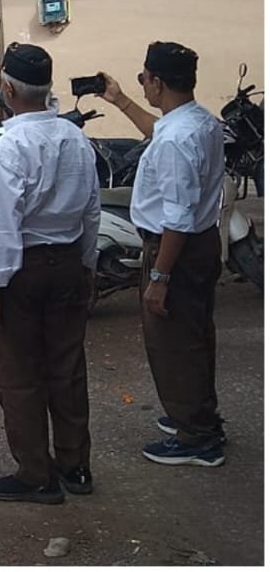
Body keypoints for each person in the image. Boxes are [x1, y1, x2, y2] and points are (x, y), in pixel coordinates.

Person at [0, 42, 99, 504]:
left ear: (8, 90)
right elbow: (91, 212)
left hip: (22, 273)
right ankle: (75, 465)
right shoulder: (76, 140)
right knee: (67, 369)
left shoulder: (6, 151)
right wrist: (86, 265)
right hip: (67, 262)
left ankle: (35, 473)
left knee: (19, 375)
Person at [101, 43, 227, 467]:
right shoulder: (199, 121)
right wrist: (120, 100)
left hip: (176, 248)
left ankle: (198, 437)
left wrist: (160, 277)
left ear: (157, 81)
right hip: (200, 242)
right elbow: (159, 131)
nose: (142, 85)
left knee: (173, 343)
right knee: (194, 334)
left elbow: (178, 216)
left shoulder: (177, 138)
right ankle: (196, 415)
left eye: (143, 78)